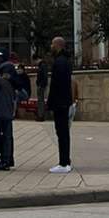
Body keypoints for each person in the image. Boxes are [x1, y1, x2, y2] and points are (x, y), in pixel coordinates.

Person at [0, 56, 22, 171]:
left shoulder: (0, 81)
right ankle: (7, 160)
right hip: (8, 113)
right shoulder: (14, 83)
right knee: (7, 137)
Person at [46, 36, 73, 174]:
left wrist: (52, 103)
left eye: (52, 44)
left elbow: (57, 85)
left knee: (62, 132)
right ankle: (65, 161)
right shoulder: (64, 61)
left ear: (57, 45)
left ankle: (64, 163)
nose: (51, 46)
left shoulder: (60, 62)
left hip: (60, 103)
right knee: (63, 132)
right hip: (63, 102)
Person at [35, 55, 49, 122]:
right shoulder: (42, 65)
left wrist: (40, 85)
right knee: (41, 101)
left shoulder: (42, 66)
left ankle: (41, 116)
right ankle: (41, 115)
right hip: (41, 85)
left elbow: (44, 76)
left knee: (41, 101)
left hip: (41, 86)